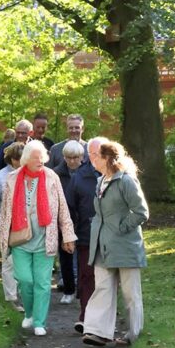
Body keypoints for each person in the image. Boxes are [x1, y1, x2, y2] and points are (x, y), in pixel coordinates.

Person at [0, 140, 75, 336]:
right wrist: (2, 240)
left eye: (42, 158)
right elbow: (5, 213)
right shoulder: (13, 179)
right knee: (25, 280)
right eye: (36, 158)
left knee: (42, 283)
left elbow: (62, 209)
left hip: (44, 239)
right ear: (26, 160)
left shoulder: (51, 177)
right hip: (20, 240)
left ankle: (39, 321)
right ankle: (29, 313)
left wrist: (67, 235)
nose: (40, 161)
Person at [82, 140, 149, 347]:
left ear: (108, 158)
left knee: (130, 292)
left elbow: (141, 212)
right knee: (102, 288)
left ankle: (133, 333)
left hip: (126, 245)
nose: (92, 159)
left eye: (97, 156)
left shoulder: (126, 181)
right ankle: (97, 332)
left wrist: (121, 227)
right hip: (102, 245)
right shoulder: (100, 180)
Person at [68, 138, 103, 332]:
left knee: (106, 279)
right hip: (86, 235)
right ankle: (85, 317)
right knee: (86, 276)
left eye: (100, 152)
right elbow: (69, 208)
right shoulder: (79, 177)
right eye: (94, 153)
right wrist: (69, 235)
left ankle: (102, 319)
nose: (97, 156)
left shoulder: (116, 173)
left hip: (110, 237)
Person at [0, 142, 25, 310]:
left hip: (26, 225)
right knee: (9, 262)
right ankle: (12, 298)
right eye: (18, 159)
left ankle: (25, 293)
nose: (21, 162)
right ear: (11, 159)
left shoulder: (30, 175)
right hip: (7, 226)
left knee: (26, 261)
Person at [54, 140, 85, 306]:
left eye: (75, 157)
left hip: (83, 218)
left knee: (83, 255)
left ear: (81, 156)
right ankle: (68, 289)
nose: (72, 161)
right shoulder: (56, 173)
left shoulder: (88, 171)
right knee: (65, 256)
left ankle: (82, 289)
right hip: (63, 219)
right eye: (68, 157)